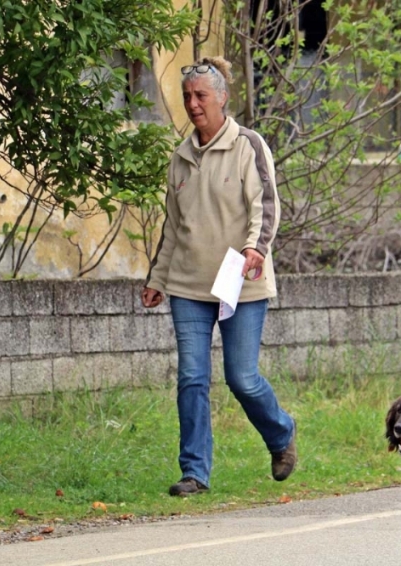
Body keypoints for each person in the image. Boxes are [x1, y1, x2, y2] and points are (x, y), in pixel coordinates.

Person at [141, 56, 297, 497]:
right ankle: (195, 472)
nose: (193, 103)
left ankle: (282, 433)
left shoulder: (249, 145)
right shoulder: (180, 157)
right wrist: (156, 278)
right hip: (188, 286)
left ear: (222, 98)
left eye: (201, 95)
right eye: (187, 96)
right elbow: (172, 226)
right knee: (191, 377)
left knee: (241, 378)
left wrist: (255, 248)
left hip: (240, 283)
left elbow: (264, 207)